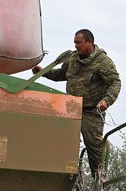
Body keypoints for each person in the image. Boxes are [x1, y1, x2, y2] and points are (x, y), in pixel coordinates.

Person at [34, 29, 121, 176]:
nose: (75, 46)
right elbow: (60, 74)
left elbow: (115, 82)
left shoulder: (102, 61)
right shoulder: (72, 59)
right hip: (71, 107)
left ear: (89, 42)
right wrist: (43, 72)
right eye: (75, 42)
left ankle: (99, 178)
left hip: (91, 111)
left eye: (78, 43)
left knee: (93, 144)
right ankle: (62, 174)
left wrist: (107, 100)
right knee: (61, 138)